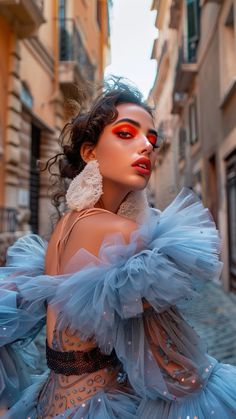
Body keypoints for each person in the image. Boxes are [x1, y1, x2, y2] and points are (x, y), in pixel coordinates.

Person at [0, 79, 236, 419]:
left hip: (48, 404)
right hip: (98, 407)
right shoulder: (117, 230)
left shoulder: (67, 226)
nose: (145, 147)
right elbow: (174, 367)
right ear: (90, 152)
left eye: (151, 138)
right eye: (126, 133)